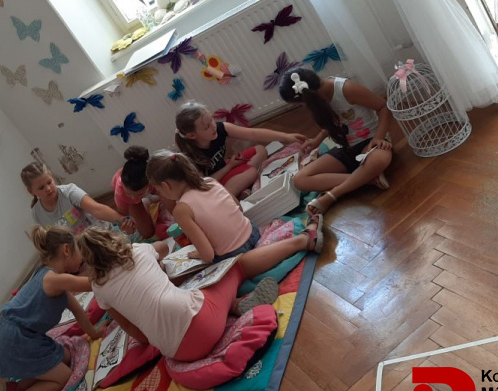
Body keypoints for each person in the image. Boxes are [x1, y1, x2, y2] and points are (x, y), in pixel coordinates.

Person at [76, 225, 312, 362]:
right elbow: (162, 247)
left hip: (179, 353)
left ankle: (235, 305)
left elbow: (134, 331)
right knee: (234, 268)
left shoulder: (99, 288)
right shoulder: (138, 250)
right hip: (203, 324)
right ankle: (302, 241)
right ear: (115, 239)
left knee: (192, 293)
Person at [0, 226, 101, 391]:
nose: (82, 259)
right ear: (66, 250)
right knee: (63, 377)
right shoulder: (54, 279)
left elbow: (78, 311)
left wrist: (95, 334)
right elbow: (92, 284)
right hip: (16, 339)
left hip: (24, 335)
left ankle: (16, 387)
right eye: (79, 251)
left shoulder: (51, 277)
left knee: (67, 356)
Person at [146, 150, 322, 270]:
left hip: (235, 254)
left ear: (165, 186)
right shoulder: (210, 181)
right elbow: (238, 206)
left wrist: (198, 253)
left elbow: (208, 254)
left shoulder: (181, 209)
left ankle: (302, 240)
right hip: (252, 231)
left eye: (158, 190)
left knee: (232, 273)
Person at [278, 68, 393, 215]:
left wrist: (379, 137)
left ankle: (332, 195)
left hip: (371, 142)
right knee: (299, 180)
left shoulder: (346, 89)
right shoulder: (320, 98)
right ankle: (367, 178)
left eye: (301, 105)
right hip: (345, 148)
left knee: (379, 159)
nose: (304, 108)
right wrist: (317, 140)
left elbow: (383, 106)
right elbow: (335, 123)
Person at [174, 101, 308, 197]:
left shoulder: (220, 128)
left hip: (227, 168)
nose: (213, 126)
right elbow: (204, 183)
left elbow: (253, 134)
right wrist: (230, 166)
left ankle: (244, 184)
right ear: (192, 135)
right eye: (207, 126)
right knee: (251, 173)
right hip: (215, 184)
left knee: (260, 150)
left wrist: (285, 136)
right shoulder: (189, 157)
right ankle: (240, 187)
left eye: (212, 120)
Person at [20, 162, 134, 234]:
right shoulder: (37, 213)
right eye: (41, 188)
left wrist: (122, 221)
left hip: (103, 235)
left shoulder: (69, 191)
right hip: (81, 252)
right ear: (31, 192)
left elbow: (97, 209)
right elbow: (52, 240)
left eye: (49, 182)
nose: (48, 188)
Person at [111, 146, 175, 239]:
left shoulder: (156, 176)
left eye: (139, 194)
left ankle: (150, 197)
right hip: (132, 202)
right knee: (147, 233)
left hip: (155, 185)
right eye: (129, 193)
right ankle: (146, 200)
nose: (133, 197)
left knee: (173, 208)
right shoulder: (121, 193)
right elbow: (123, 216)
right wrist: (128, 225)